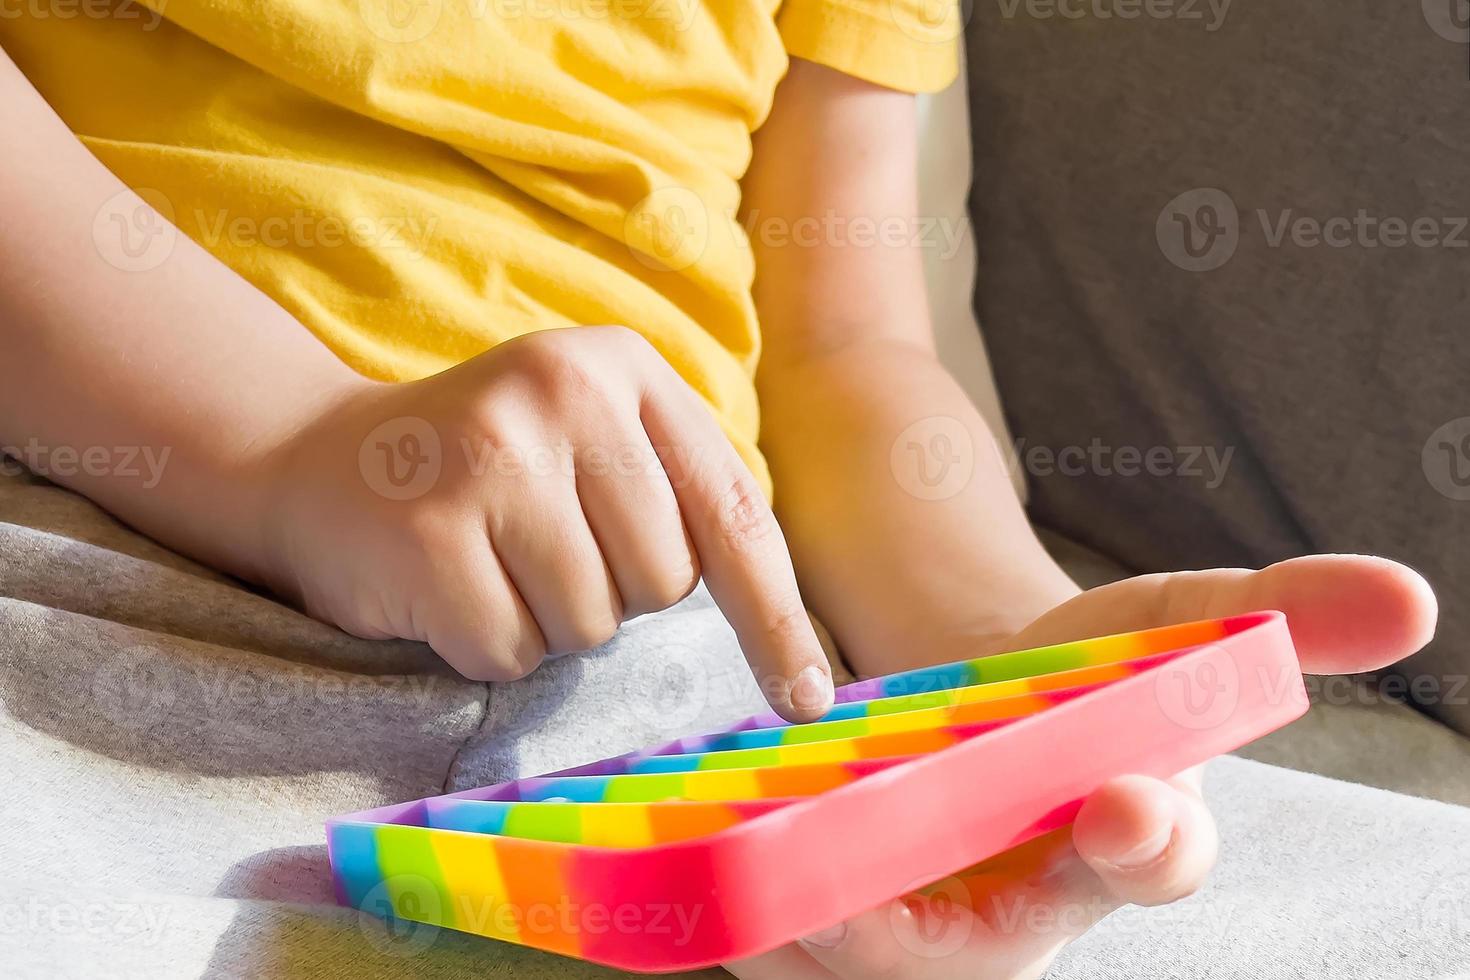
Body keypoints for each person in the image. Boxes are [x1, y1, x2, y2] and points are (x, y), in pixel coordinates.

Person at [0, 2, 1460, 978]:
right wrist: (297, 445)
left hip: (696, 700)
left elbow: (842, 346)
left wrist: (1006, 653)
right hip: (110, 579)